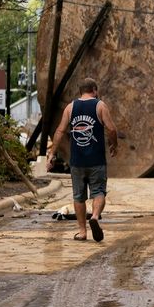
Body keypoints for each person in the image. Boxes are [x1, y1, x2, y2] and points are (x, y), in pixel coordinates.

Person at [53, 77, 118, 242]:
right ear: (94, 90)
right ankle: (95, 216)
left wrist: (52, 153)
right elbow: (111, 129)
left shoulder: (70, 107)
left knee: (78, 197)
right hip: (96, 160)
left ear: (80, 91)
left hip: (77, 161)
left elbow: (60, 131)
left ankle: (82, 232)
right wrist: (114, 145)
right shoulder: (100, 105)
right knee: (99, 192)